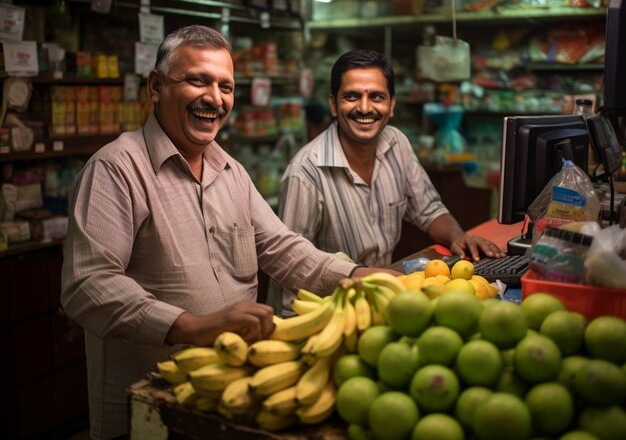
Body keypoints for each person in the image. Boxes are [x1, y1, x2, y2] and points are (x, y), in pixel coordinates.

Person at [61, 27, 398, 440]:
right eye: (198, 80)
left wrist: (354, 275)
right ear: (155, 86)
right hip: (149, 405)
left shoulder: (230, 170)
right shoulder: (116, 169)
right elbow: (87, 284)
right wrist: (193, 326)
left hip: (230, 394)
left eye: (226, 86)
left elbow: (281, 246)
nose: (215, 99)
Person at [270, 49, 504, 315]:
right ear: (334, 105)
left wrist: (458, 236)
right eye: (352, 96)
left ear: (391, 105)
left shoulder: (396, 143)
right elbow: (289, 274)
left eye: (377, 97)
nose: (365, 108)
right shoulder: (305, 173)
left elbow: (428, 210)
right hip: (334, 311)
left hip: (387, 298)